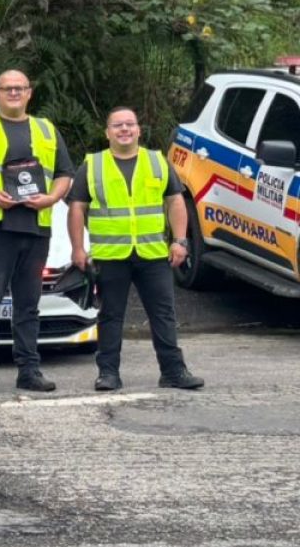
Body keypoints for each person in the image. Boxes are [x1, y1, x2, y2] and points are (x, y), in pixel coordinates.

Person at [0, 70, 73, 395]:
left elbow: (64, 174)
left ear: (29, 93)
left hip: (36, 228)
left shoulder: (47, 129)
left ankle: (28, 371)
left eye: (19, 88)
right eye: (8, 89)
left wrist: (50, 198)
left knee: (29, 305)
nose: (14, 93)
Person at [67, 107, 205, 392]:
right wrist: (78, 248)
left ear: (139, 130)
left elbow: (176, 202)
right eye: (117, 125)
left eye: (130, 124)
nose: (124, 129)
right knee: (110, 316)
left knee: (163, 314)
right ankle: (108, 373)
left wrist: (180, 241)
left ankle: (173, 371)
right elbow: (77, 208)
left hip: (153, 253)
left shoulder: (157, 161)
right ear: (107, 133)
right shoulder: (92, 165)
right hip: (110, 255)